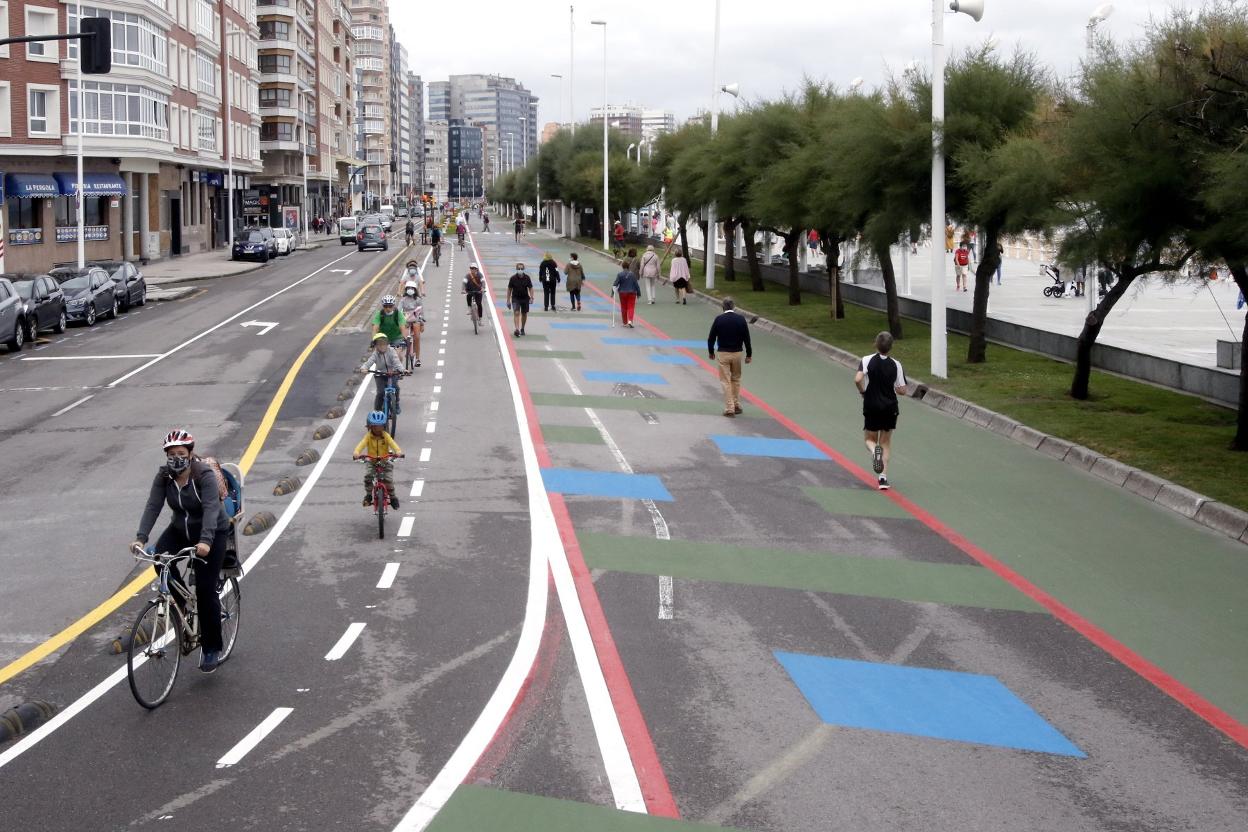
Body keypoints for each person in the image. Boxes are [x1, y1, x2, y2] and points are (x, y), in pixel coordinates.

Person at [132, 429, 232, 673]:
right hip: (180, 530)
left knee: (207, 591)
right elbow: (153, 505)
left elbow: (210, 509)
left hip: (211, 533)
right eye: (171, 454)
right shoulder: (164, 477)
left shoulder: (203, 476)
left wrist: (206, 542)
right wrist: (140, 538)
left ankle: (211, 648)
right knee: (159, 560)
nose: (176, 458)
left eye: (180, 453)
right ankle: (183, 604)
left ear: (190, 453)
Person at [855, 331, 908, 491]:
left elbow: (857, 379)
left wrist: (862, 392)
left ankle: (873, 452)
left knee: (869, 439)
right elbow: (902, 390)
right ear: (891, 347)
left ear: (875, 344)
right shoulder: (896, 365)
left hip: (871, 405)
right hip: (890, 407)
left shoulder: (866, 360)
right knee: (885, 442)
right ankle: (883, 479)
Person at [707, 297, 752, 417]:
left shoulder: (719, 319)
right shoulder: (741, 319)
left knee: (725, 381)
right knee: (736, 379)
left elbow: (711, 338)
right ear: (733, 307)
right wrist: (749, 354)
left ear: (723, 307)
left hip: (723, 353)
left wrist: (711, 352)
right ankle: (736, 404)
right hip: (737, 353)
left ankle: (729, 407)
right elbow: (746, 338)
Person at [352, 410, 402, 509]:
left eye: (380, 426)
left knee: (388, 480)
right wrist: (357, 452)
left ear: (384, 426)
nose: (377, 429)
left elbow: (393, 444)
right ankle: (369, 495)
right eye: (374, 426)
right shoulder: (368, 437)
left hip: (385, 461)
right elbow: (361, 444)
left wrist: (398, 452)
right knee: (368, 476)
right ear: (370, 426)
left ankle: (393, 498)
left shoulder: (386, 436)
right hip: (372, 461)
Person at [361, 332, 404, 411]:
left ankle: (396, 403)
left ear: (387, 343)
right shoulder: (375, 354)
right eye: (379, 344)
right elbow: (368, 363)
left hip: (392, 373)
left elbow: (397, 362)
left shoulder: (391, 351)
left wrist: (403, 370)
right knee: (380, 393)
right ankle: (377, 410)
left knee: (396, 388)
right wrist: (364, 368)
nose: (382, 346)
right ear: (375, 345)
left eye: (384, 343)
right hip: (380, 375)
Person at [399, 279, 424, 368]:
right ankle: (402, 355)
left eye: (412, 288)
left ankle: (417, 359)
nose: (410, 289)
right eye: (408, 288)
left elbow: (421, 312)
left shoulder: (418, 299)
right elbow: (399, 311)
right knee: (404, 338)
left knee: (417, 337)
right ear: (406, 289)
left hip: (415, 319)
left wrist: (422, 324)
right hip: (405, 320)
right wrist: (400, 321)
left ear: (415, 289)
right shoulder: (403, 300)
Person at [507, 262, 534, 336]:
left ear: (523, 269)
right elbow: (509, 289)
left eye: (521, 268)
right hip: (515, 299)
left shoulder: (527, 278)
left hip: (525, 298)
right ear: (516, 269)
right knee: (516, 312)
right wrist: (508, 301)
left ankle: (522, 328)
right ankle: (517, 329)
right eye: (519, 268)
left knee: (524, 314)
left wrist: (532, 297)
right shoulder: (513, 278)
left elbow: (531, 288)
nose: (520, 270)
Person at [613, 258, 641, 328]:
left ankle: (625, 322)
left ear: (622, 266)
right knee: (631, 307)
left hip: (622, 293)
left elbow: (615, 284)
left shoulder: (619, 274)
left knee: (623, 307)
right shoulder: (632, 274)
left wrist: (612, 292)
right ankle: (630, 320)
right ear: (629, 266)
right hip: (632, 292)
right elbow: (636, 284)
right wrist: (638, 293)